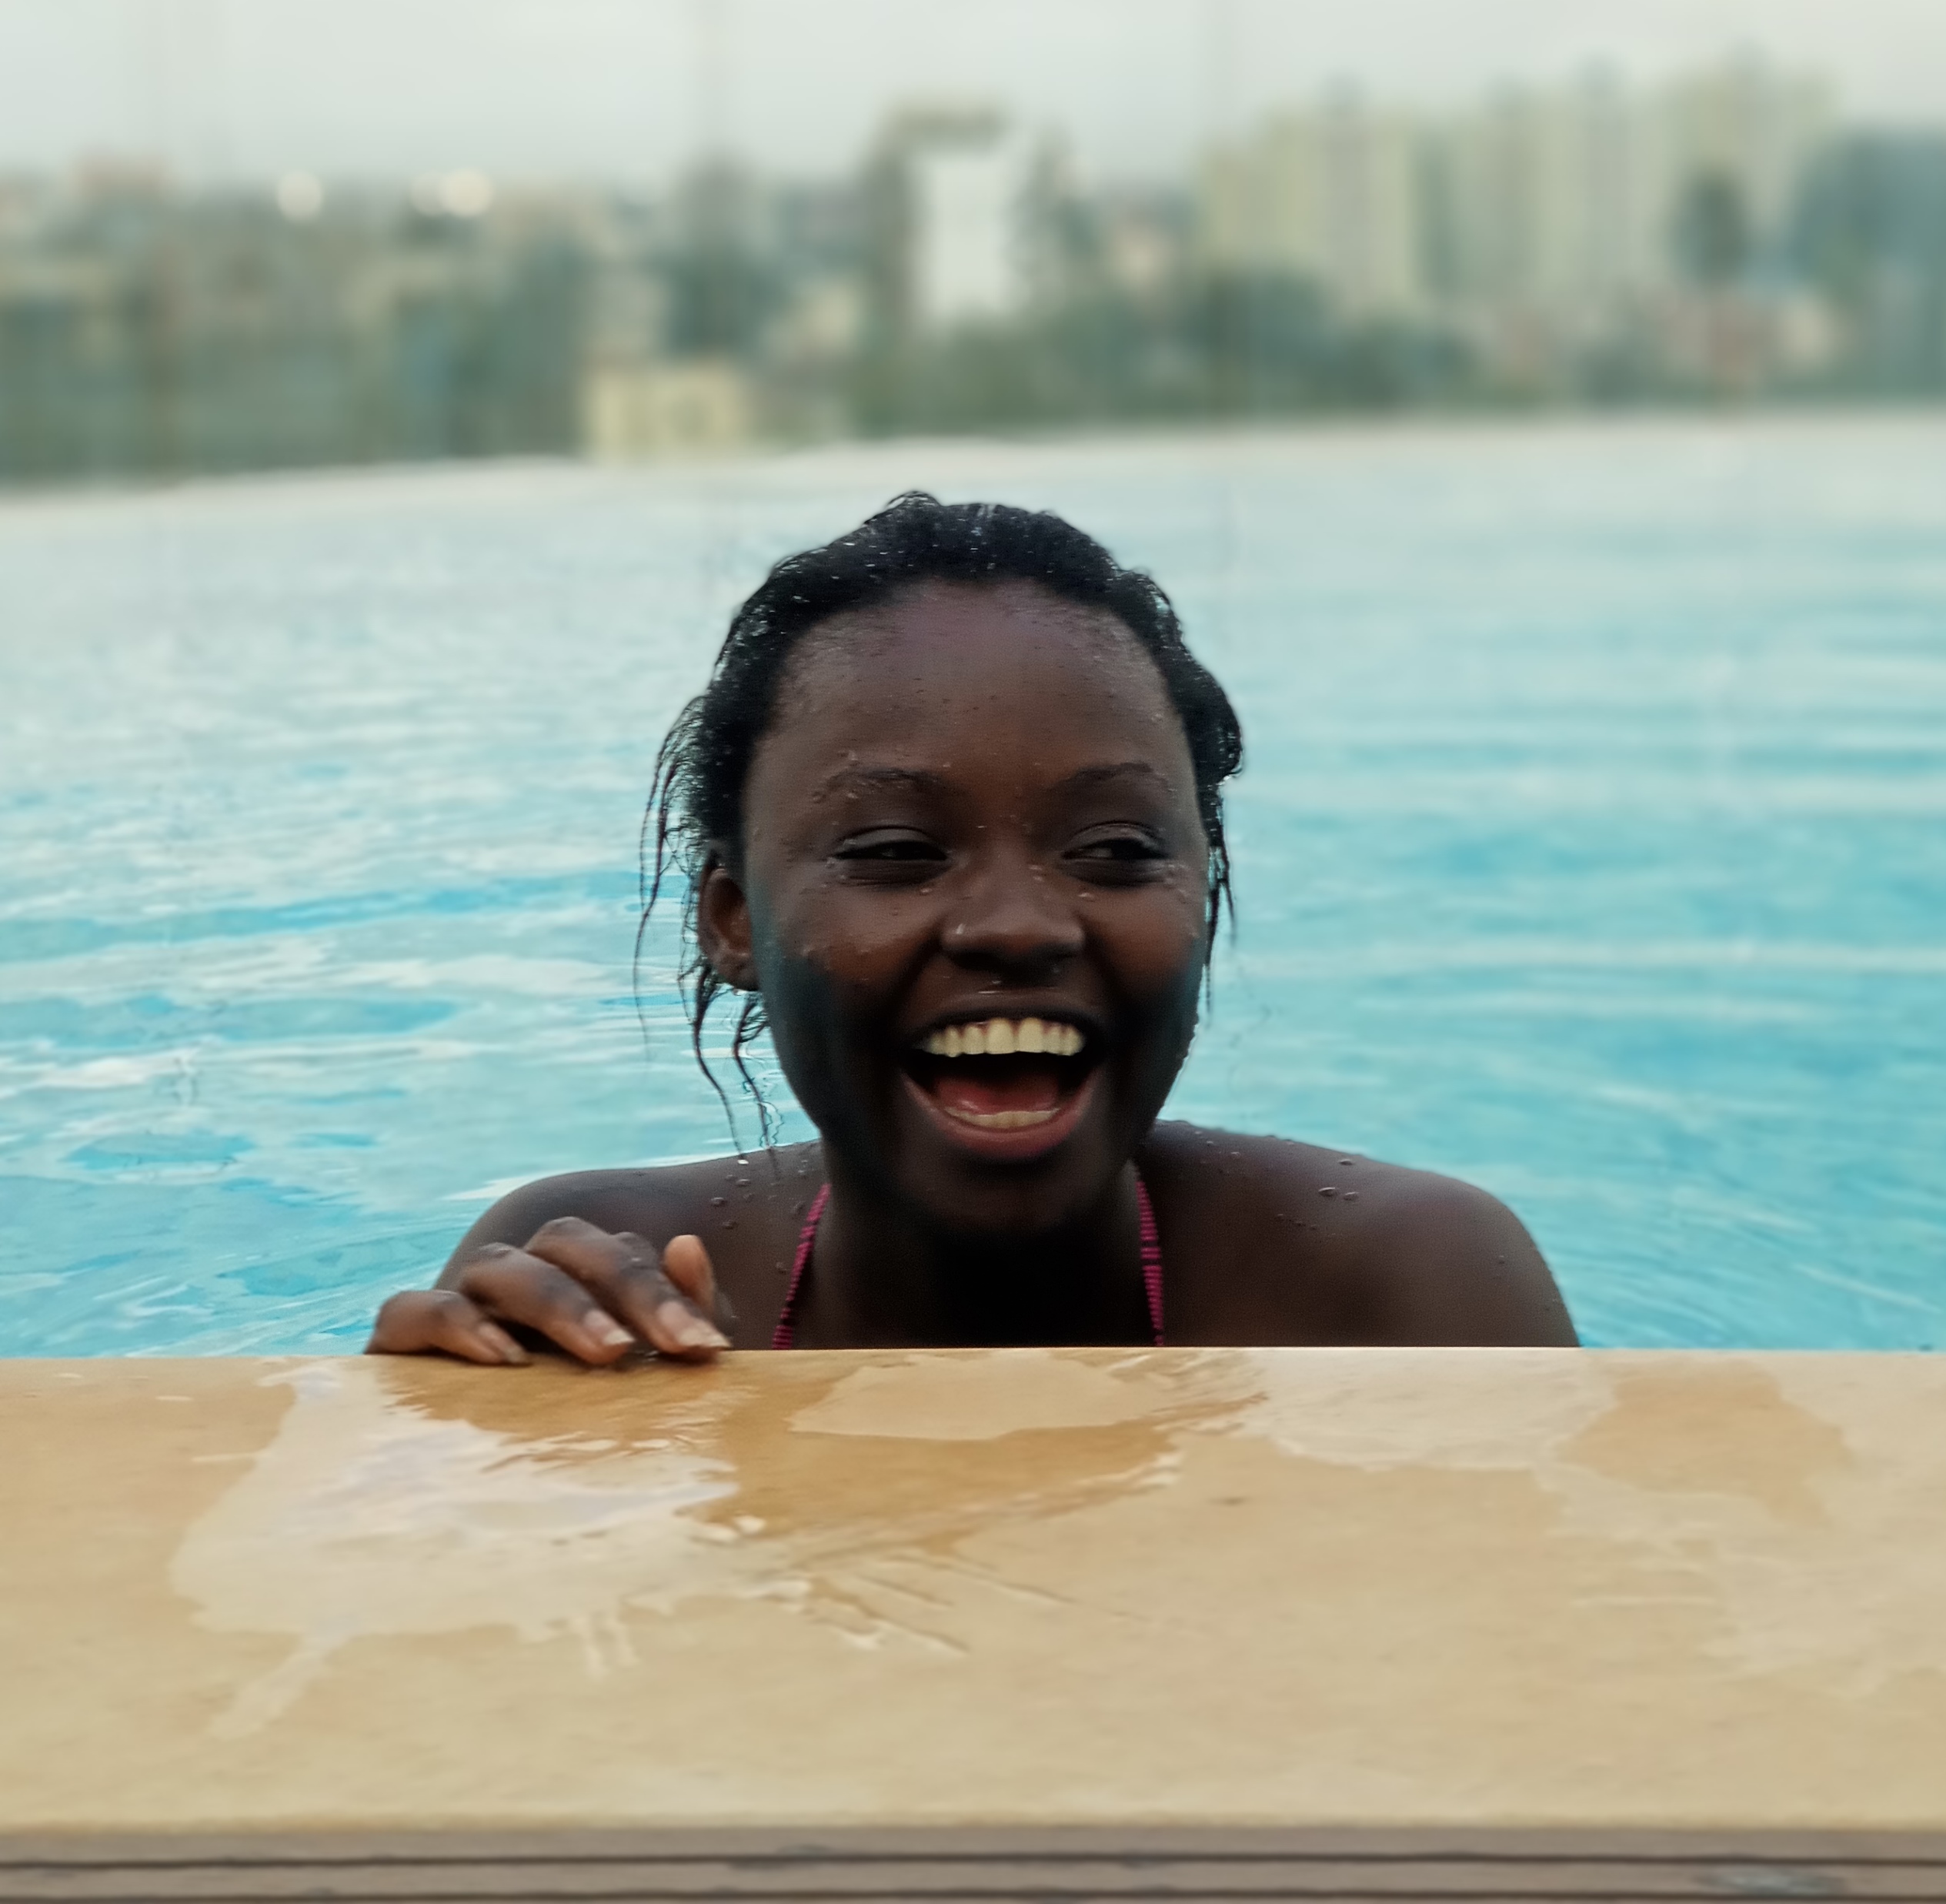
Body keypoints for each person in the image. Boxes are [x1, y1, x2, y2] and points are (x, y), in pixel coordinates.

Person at [369, 493, 1575, 1364]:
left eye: (1115, 850)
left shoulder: (1403, 1299)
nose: (1016, 927)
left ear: (1203, 902)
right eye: (896, 850)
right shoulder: (584, 1287)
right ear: (733, 921)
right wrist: (498, 1469)